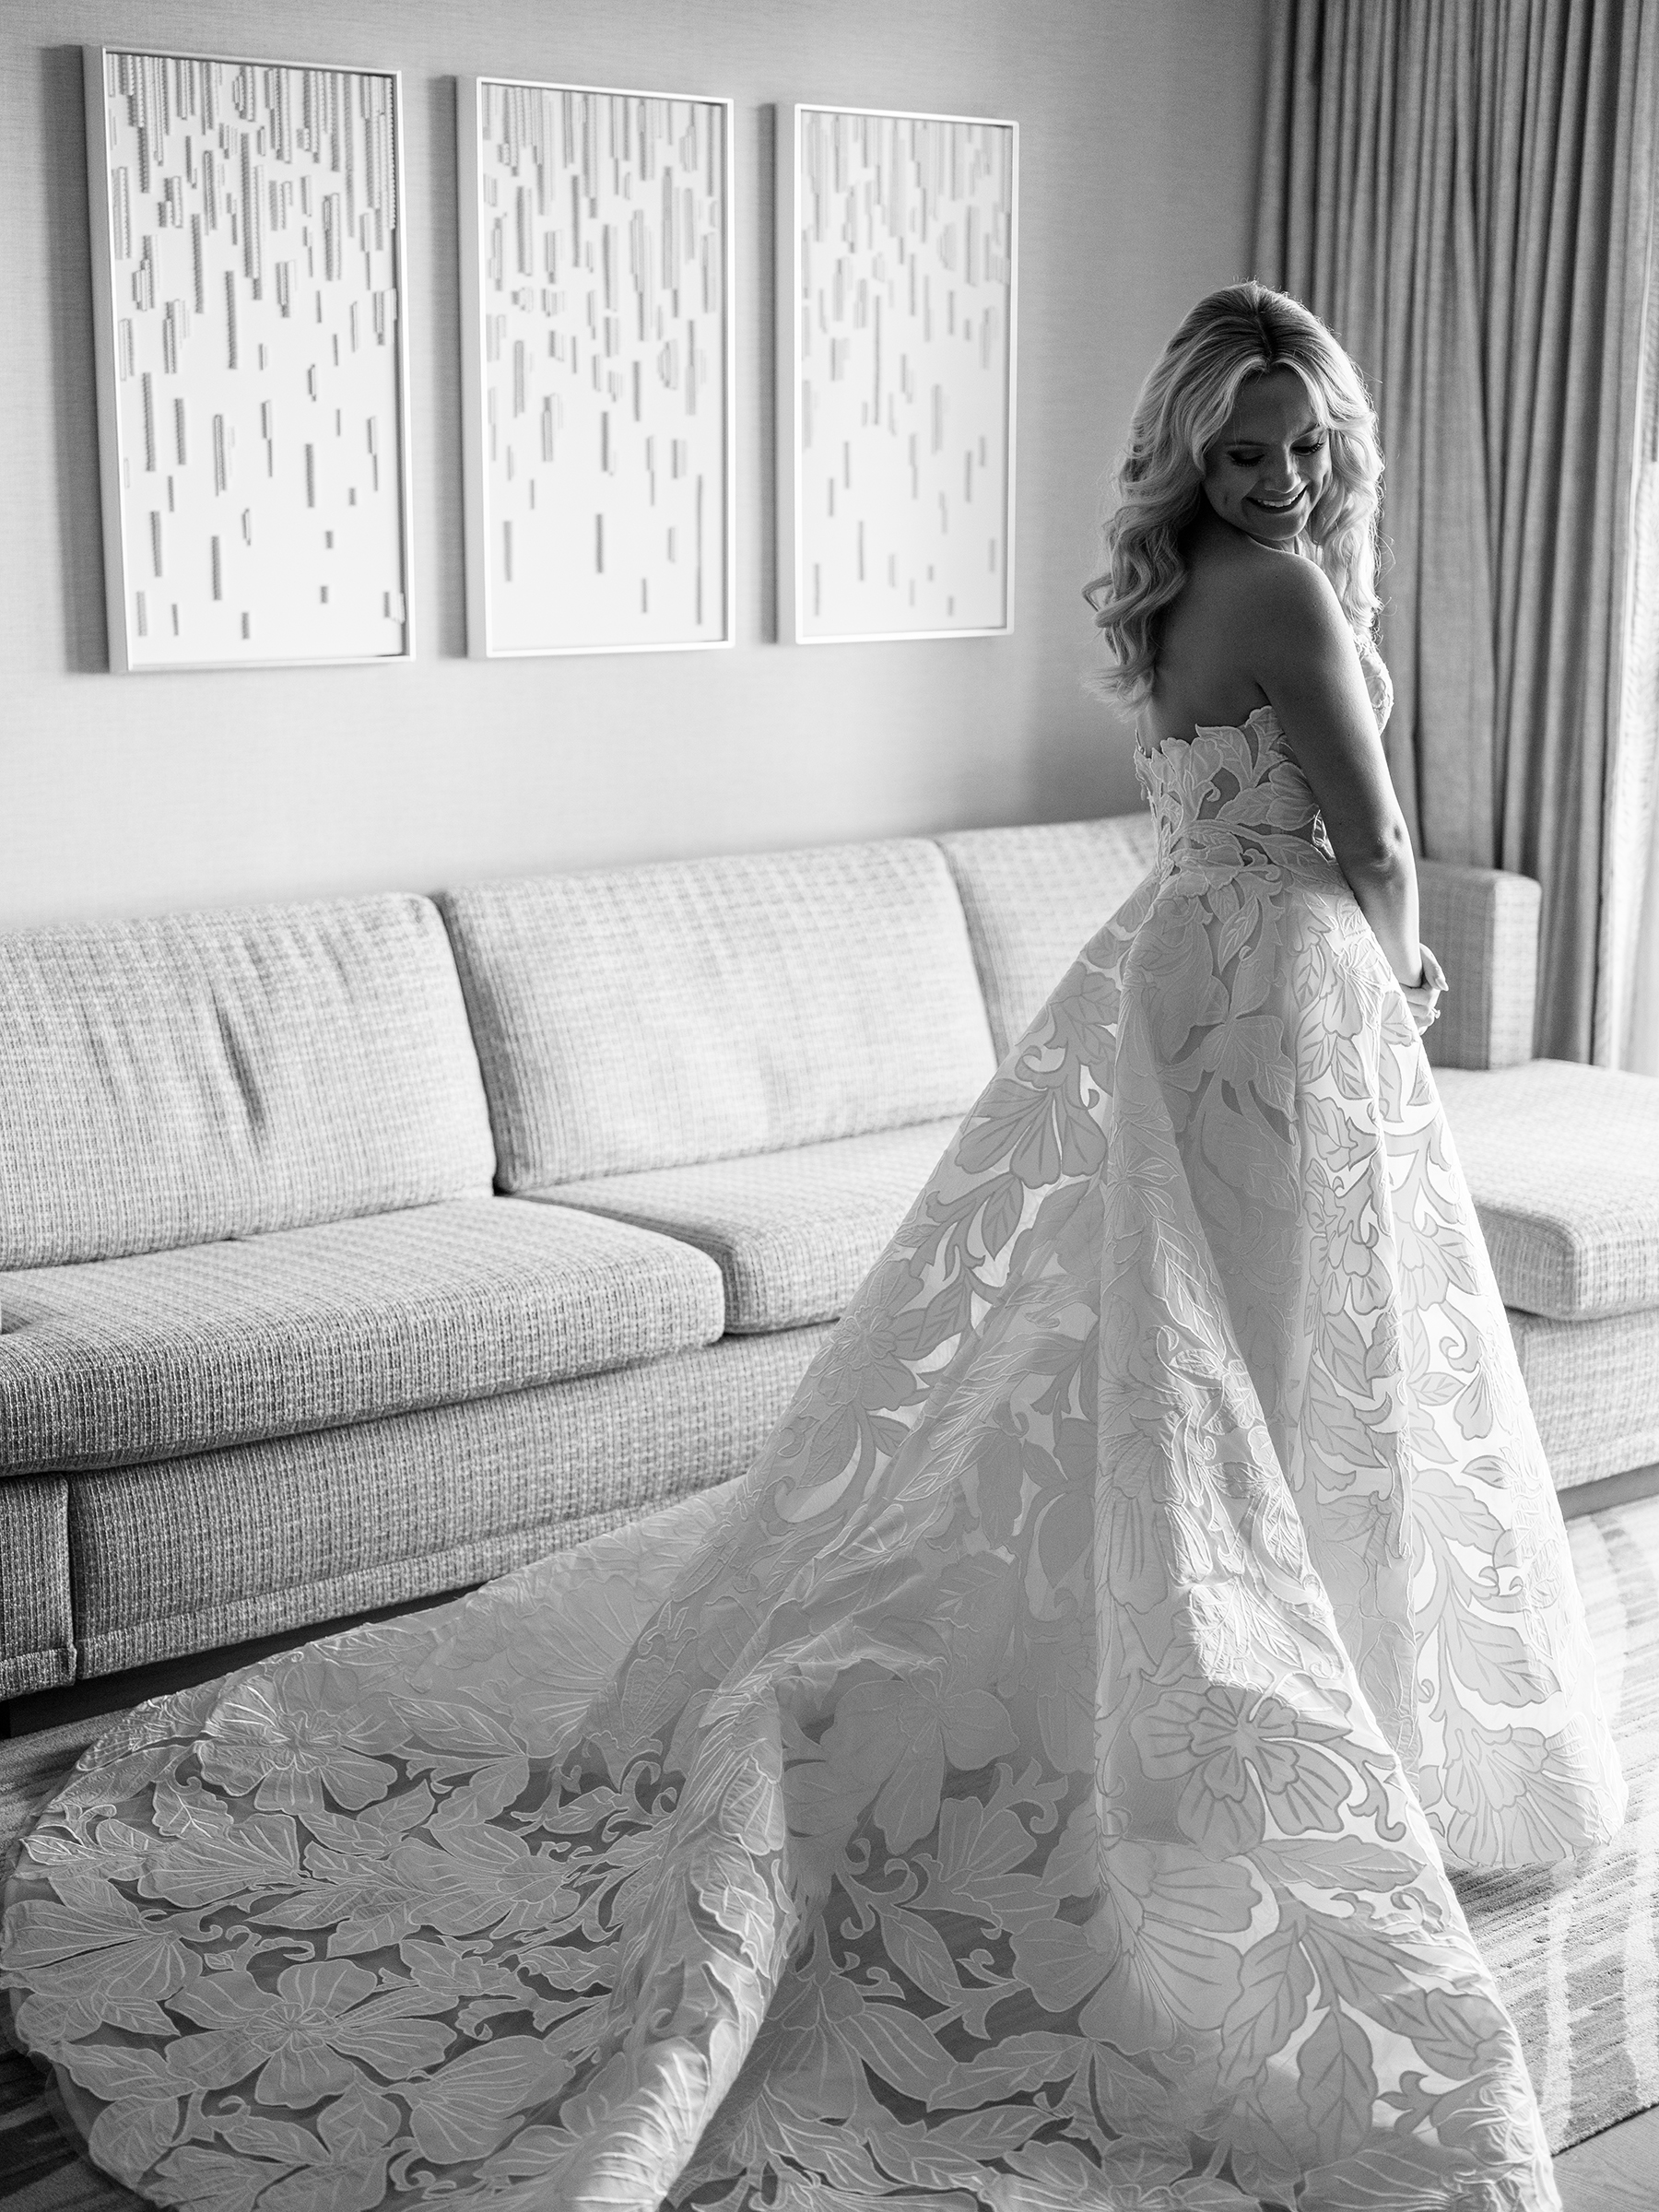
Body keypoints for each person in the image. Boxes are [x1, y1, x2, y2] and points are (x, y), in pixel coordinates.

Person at [2, 283, 1625, 2211]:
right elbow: (1371, 828)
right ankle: (1256, 1730)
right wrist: (1410, 961)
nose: (1284, 473)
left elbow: (1230, 811)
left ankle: (1236, 1700)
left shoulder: (1183, 583)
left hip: (1178, 983)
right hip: (1283, 1002)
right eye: (1251, 444)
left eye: (1302, 442)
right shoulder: (1288, 593)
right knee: (1270, 1365)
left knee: (1189, 1368)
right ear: (1197, 445)